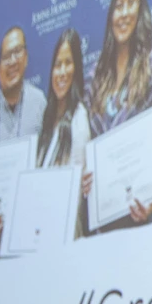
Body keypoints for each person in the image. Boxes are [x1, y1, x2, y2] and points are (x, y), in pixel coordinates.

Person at [82, 0, 152, 234]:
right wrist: (85, 178)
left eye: (130, 3)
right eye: (118, 6)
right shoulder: (94, 74)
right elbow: (88, 144)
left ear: (140, 9)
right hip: (102, 216)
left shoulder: (151, 61)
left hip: (138, 214)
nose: (123, 13)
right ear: (110, 14)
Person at [0, 26, 49, 264]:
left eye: (17, 52)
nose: (12, 61)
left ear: (26, 58)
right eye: (6, 56)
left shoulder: (42, 106)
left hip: (33, 249)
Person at [36, 29, 92, 239]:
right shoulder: (48, 116)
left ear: (76, 68)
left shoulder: (79, 120)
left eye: (68, 63)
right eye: (57, 65)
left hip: (65, 236)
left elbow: (74, 197)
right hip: (41, 232)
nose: (62, 72)